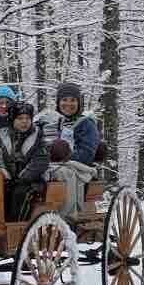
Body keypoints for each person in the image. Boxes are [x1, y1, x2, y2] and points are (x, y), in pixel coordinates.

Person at [41, 81, 100, 220]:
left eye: (73, 100)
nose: (68, 104)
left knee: (63, 173)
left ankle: (68, 217)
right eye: (64, 100)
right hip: (51, 164)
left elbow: (87, 154)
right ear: (58, 102)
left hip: (78, 167)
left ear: (79, 103)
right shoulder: (50, 122)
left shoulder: (86, 124)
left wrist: (64, 156)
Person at [0, 102, 49, 221]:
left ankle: (17, 225)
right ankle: (1, 223)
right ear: (12, 119)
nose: (24, 121)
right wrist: (4, 174)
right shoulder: (2, 135)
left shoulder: (38, 137)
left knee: (20, 193)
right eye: (20, 118)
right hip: (9, 179)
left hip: (32, 181)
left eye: (28, 118)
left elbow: (41, 160)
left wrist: (23, 177)